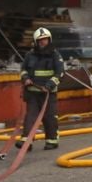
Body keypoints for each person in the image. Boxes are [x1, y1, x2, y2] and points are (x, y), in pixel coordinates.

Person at [16, 26, 65, 154]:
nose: (43, 42)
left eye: (45, 39)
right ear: (36, 41)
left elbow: (60, 73)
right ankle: (26, 141)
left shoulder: (55, 55)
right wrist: (25, 78)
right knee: (30, 117)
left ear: (49, 40)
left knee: (50, 118)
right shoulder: (29, 55)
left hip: (48, 93)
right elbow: (23, 70)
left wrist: (49, 85)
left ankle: (52, 140)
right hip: (32, 92)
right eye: (40, 40)